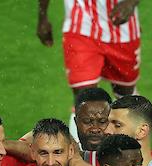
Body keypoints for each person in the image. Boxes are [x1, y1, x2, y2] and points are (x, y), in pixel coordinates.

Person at [37, 0, 142, 136]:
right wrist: (43, 17)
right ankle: (82, 148)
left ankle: (129, 144)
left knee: (125, 96)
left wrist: (131, 3)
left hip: (122, 29)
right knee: (85, 99)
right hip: (80, 26)